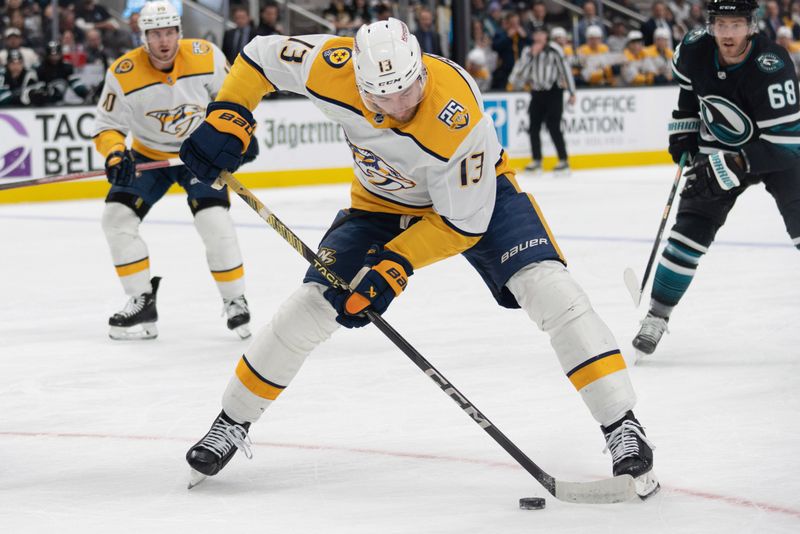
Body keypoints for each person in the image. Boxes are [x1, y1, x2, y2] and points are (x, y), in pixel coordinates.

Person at [178, 18, 659, 500]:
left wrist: (394, 265)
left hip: (480, 201)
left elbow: (461, 225)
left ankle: (622, 424)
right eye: (384, 97)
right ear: (360, 83)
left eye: (409, 89)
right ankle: (231, 422)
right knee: (308, 307)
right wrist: (229, 113)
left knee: (552, 291)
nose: (401, 105)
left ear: (420, 70)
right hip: (379, 206)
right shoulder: (332, 67)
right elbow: (261, 55)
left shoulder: (455, 113)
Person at [633, 0, 800, 355]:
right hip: (716, 149)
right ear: (711, 26)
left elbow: (788, 144)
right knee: (687, 234)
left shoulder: (772, 64)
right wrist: (683, 133)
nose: (727, 33)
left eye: (736, 25)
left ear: (751, 26)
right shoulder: (694, 49)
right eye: (721, 24)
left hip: (776, 153)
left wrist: (737, 164)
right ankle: (657, 316)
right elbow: (689, 96)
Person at [92, 0, 256, 340]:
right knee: (116, 219)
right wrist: (115, 155)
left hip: (199, 154)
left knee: (214, 221)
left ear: (179, 32)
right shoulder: (123, 72)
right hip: (147, 157)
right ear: (143, 37)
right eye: (155, 34)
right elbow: (107, 125)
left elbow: (235, 97)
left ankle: (235, 299)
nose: (163, 41)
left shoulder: (205, 55)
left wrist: (241, 133)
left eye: (169, 32)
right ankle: (141, 299)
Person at [508, 26, 576, 174]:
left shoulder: (554, 50)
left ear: (546, 36)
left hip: (554, 92)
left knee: (554, 126)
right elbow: (519, 74)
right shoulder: (528, 52)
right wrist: (532, 55)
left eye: (541, 34)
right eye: (536, 34)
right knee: (534, 127)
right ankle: (537, 160)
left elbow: (565, 70)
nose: (538, 37)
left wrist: (572, 92)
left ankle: (563, 160)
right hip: (536, 92)